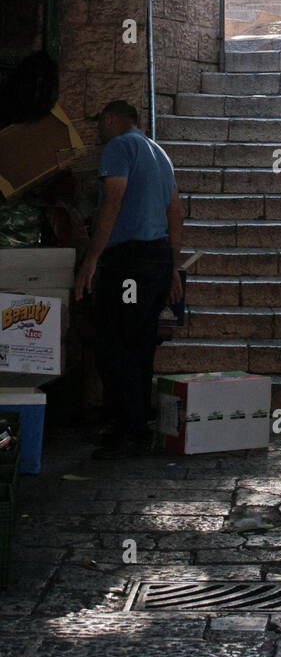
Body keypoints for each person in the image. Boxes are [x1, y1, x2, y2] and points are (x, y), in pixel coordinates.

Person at [74, 100, 183, 459]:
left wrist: (91, 258)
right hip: (157, 257)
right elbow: (175, 211)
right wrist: (173, 268)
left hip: (129, 264)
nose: (98, 133)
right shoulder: (160, 153)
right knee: (139, 344)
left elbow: (112, 202)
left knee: (116, 344)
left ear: (109, 119)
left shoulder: (119, 146)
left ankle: (128, 431)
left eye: (99, 126)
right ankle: (135, 425)